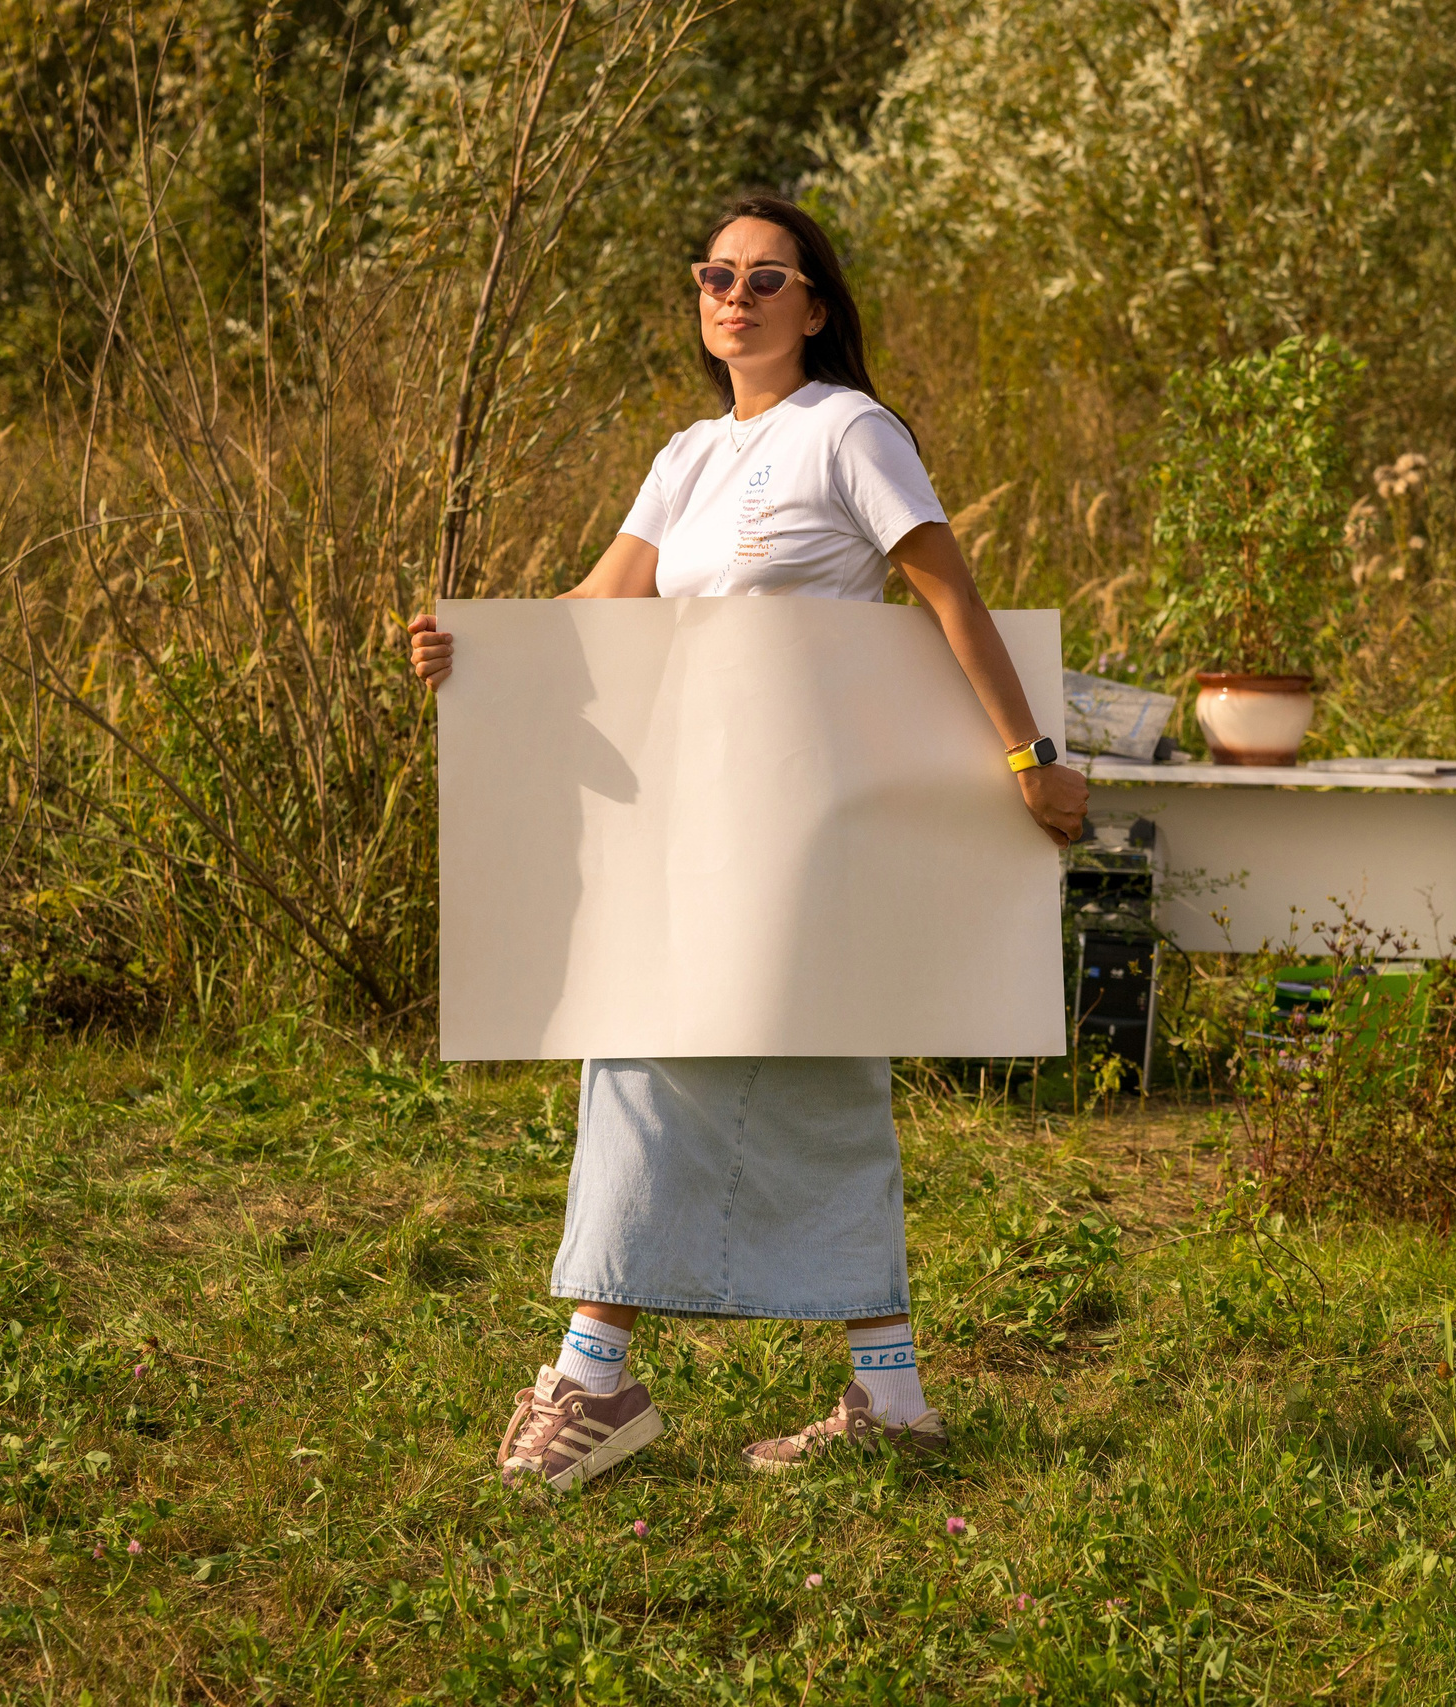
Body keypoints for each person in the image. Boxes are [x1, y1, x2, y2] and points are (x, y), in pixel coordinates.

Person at [408, 195, 1087, 1491]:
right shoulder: (687, 457)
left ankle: (591, 1381)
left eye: (767, 278)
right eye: (715, 275)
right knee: (823, 1081)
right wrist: (476, 657)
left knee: (647, 1051)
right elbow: (598, 613)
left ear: (815, 306)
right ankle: (891, 1398)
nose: (735, 296)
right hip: (689, 818)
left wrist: (1028, 757)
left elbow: (946, 591)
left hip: (800, 823)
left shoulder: (850, 430)